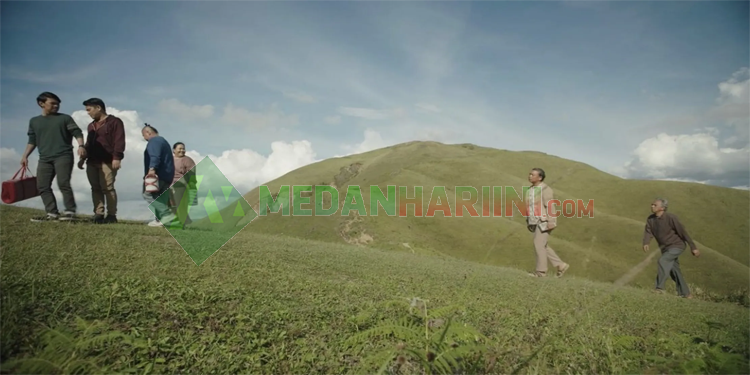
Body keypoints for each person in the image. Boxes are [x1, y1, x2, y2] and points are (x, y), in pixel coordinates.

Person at [20, 92, 86, 222]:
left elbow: (77, 132)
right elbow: (32, 140)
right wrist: (25, 156)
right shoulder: (34, 121)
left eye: (58, 104)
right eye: (53, 103)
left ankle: (70, 212)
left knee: (63, 183)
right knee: (42, 186)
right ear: (41, 104)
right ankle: (52, 213)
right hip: (44, 158)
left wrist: (81, 146)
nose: (56, 106)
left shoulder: (65, 118)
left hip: (63, 155)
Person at [78, 98, 126, 224]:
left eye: (89, 110)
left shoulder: (115, 122)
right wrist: (82, 159)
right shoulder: (91, 126)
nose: (88, 113)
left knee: (108, 188)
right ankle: (98, 214)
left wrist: (117, 157)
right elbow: (88, 144)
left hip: (108, 161)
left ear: (98, 108)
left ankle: (111, 215)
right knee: (95, 188)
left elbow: (119, 141)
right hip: (92, 161)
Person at [642, 198, 700, 298]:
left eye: (654, 205)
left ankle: (659, 288)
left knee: (663, 260)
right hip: (665, 248)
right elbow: (648, 231)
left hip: (677, 246)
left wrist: (693, 247)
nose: (652, 206)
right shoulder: (650, 219)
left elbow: (683, 232)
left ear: (662, 208)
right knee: (674, 271)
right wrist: (646, 242)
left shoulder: (671, 217)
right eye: (652, 204)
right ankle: (686, 294)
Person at [526, 168, 570, 278]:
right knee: (542, 245)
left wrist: (551, 221)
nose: (530, 176)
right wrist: (529, 221)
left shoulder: (545, 189)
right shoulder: (530, 189)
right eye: (530, 174)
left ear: (540, 177)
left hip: (544, 221)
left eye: (533, 174)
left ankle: (541, 272)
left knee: (538, 244)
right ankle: (561, 265)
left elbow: (550, 205)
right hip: (535, 221)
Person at [141, 124, 175, 227]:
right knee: (160, 198)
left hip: (158, 174)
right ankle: (161, 221)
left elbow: (155, 156)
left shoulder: (154, 141)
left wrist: (152, 169)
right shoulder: (163, 141)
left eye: (143, 135)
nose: (144, 138)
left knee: (148, 194)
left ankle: (166, 214)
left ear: (148, 133)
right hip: (167, 175)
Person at [169, 142, 197, 226]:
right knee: (171, 205)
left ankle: (185, 222)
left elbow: (192, 174)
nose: (182, 150)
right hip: (170, 185)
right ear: (174, 150)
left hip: (181, 185)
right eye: (180, 148)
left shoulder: (187, 160)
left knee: (180, 205)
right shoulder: (170, 159)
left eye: (183, 148)